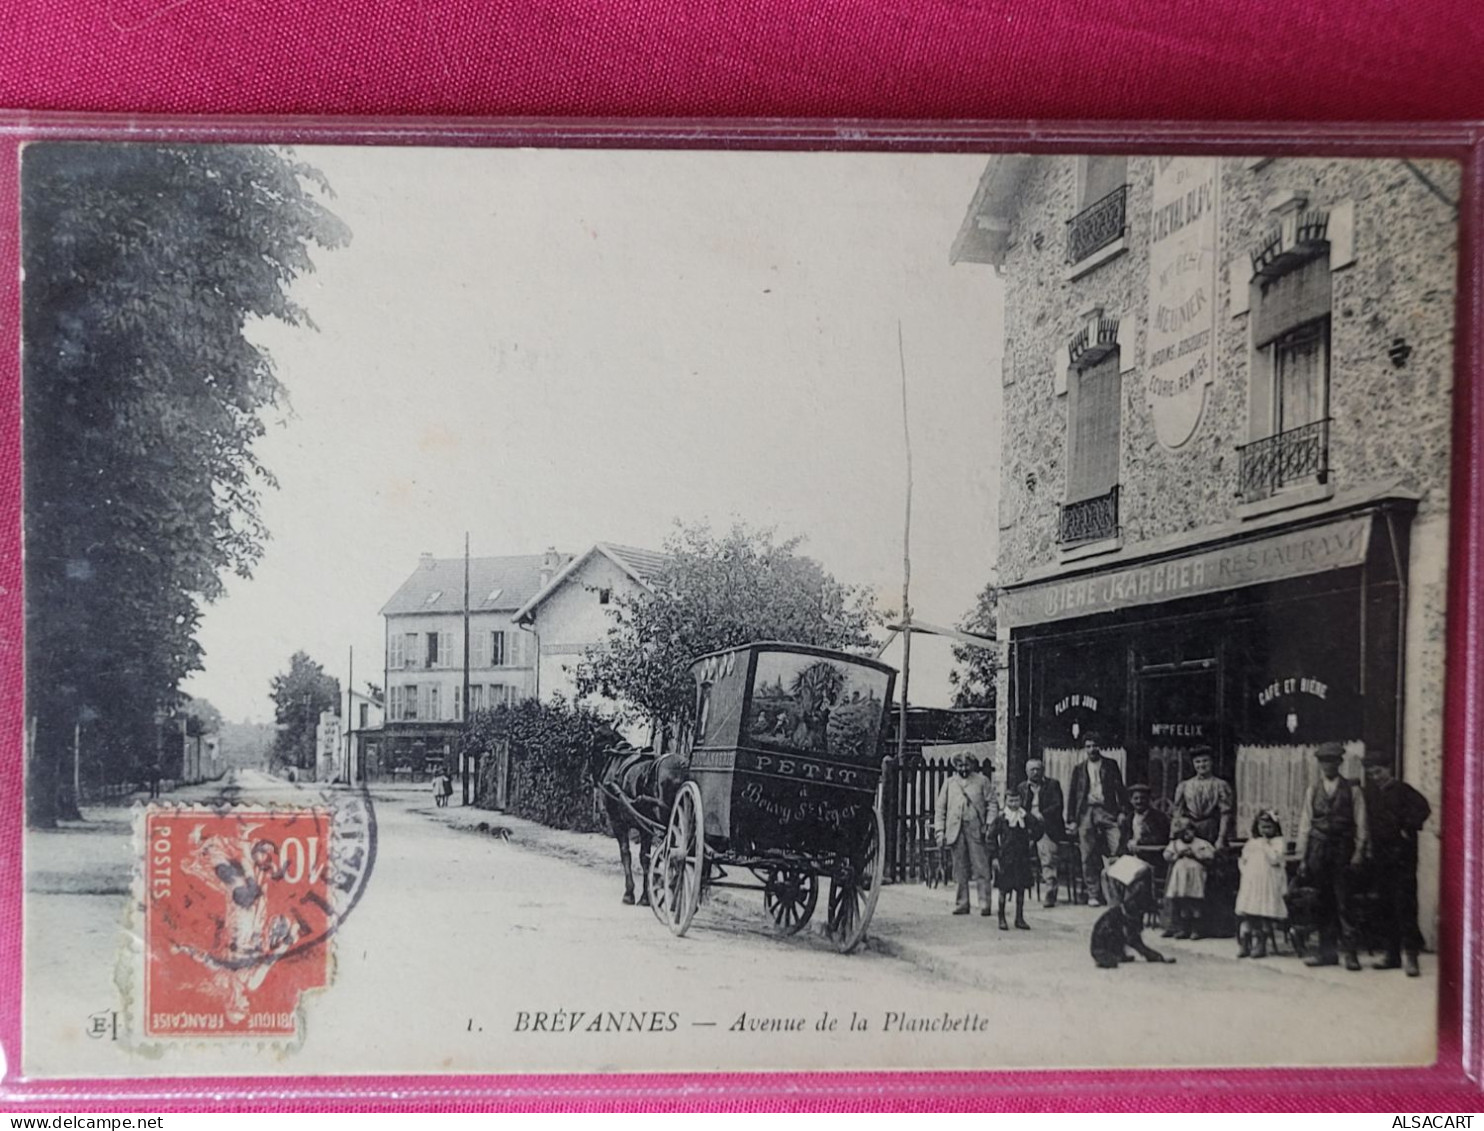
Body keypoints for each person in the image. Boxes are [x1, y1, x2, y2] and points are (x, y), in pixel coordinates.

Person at [1296, 741, 1368, 971]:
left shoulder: (1353, 790)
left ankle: (1350, 953)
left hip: (1343, 850)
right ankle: (1326, 953)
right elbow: (1305, 825)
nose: (1328, 765)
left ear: (1340, 763)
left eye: (1332, 761)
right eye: (1323, 761)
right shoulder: (1312, 789)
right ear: (1319, 764)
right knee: (1322, 902)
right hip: (1318, 850)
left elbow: (1361, 823)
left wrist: (1359, 852)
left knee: (1344, 901)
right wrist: (1303, 858)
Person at [1362, 750, 1431, 976]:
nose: (1376, 777)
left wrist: (1407, 827)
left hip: (1402, 857)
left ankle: (1411, 957)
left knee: (1405, 905)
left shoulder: (1403, 790)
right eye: (1371, 774)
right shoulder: (1372, 795)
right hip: (1382, 858)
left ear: (1389, 769)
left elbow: (1424, 808)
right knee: (1385, 905)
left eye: (1379, 772)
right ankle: (1391, 955)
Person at [1065, 733, 1128, 906]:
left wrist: (1123, 811)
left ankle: (1117, 892)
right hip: (1086, 812)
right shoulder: (1079, 769)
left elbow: (1120, 790)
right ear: (1085, 748)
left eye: (1095, 745)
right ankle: (1093, 893)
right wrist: (1071, 819)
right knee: (1087, 853)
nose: (1092, 749)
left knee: (1118, 847)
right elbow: (1072, 795)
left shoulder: (1111, 765)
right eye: (1088, 746)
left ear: (1100, 747)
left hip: (1107, 810)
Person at [934, 752, 997, 916]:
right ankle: (962, 903)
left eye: (966, 765)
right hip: (955, 830)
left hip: (976, 829)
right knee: (959, 869)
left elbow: (992, 803)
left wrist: (989, 824)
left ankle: (985, 903)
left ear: (972, 765)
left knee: (981, 867)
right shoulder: (949, 783)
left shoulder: (982, 781)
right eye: (960, 765)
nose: (963, 768)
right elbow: (940, 808)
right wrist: (940, 831)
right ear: (955, 766)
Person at [1236, 809, 1289, 959]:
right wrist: (1245, 871)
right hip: (1252, 880)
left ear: (1275, 828)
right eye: (1262, 827)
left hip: (1268, 881)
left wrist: (1265, 844)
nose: (1265, 830)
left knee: (1264, 911)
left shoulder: (1278, 842)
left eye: (1269, 827)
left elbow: (1275, 859)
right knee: (1249, 911)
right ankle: (1246, 942)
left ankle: (1261, 943)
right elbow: (1243, 858)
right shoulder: (1252, 842)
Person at [1015, 759, 1066, 907]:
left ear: (1043, 770)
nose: (1035, 772)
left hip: (1047, 826)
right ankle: (1018, 888)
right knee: (1015, 851)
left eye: (1038, 769)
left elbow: (1057, 806)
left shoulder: (1052, 785)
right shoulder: (1022, 787)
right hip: (1028, 828)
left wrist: (1041, 815)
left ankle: (1050, 891)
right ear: (1026, 771)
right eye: (1032, 770)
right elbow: (1018, 807)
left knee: (1047, 857)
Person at [989, 791, 1043, 930]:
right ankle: (1001, 918)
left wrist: (1032, 839)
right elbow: (990, 837)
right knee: (1003, 889)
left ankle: (1019, 918)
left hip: (1022, 859)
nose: (1014, 804)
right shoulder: (1001, 819)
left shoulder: (1025, 817)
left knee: (1021, 889)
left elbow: (1038, 828)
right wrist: (994, 857)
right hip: (1006, 860)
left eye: (1016, 801)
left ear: (1021, 801)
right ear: (1005, 801)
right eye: (1011, 801)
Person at [1170, 747, 1235, 850]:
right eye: (1197, 762)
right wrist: (1173, 837)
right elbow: (1177, 813)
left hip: (1211, 830)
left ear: (1211, 762)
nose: (1201, 765)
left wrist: (1221, 838)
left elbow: (1225, 814)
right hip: (1189, 830)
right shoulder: (1185, 785)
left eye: (1205, 761)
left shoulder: (1220, 785)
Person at [1162, 827, 1216, 939]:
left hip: (1195, 874)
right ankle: (1184, 929)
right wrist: (1178, 855)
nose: (1188, 834)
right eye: (1185, 832)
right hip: (1180, 875)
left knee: (1195, 902)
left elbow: (1210, 856)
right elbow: (1167, 856)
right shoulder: (1176, 844)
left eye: (1190, 831)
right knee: (1183, 901)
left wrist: (1195, 855)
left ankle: (1196, 930)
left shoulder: (1201, 843)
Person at [1122, 782, 1171, 851]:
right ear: (1131, 800)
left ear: (1148, 799)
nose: (1139, 801)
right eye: (1136, 798)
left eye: (1143, 798)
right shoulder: (1128, 819)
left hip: (1150, 857)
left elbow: (1161, 839)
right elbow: (1122, 843)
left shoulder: (1159, 818)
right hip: (1130, 856)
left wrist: (1139, 842)